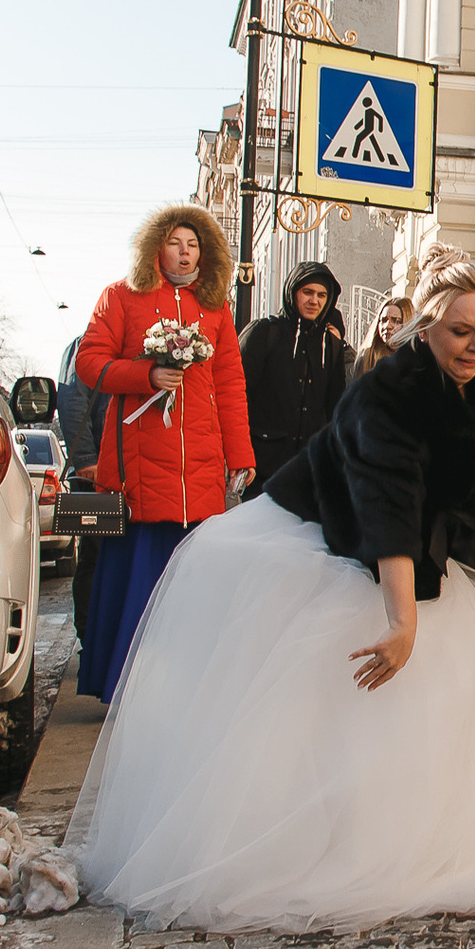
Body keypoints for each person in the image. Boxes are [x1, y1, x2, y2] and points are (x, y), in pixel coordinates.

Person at [71, 247, 475, 931]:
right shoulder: (387, 395)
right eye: (460, 331)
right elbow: (388, 512)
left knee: (466, 692)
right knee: (342, 700)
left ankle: (450, 838)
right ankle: (333, 841)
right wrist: (402, 621)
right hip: (340, 540)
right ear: (425, 326)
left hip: (443, 541)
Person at [73, 206, 257, 700]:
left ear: (206, 253)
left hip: (197, 465)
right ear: (156, 246)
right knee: (136, 575)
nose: (184, 251)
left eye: (193, 244)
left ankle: (187, 686)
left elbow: (230, 383)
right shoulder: (121, 296)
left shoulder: (215, 308)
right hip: (137, 465)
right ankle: (124, 683)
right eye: (175, 242)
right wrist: (145, 376)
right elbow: (89, 362)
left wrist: (240, 453)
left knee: (192, 579)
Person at [237, 262, 355, 492]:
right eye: (307, 292)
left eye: (322, 295)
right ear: (293, 293)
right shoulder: (264, 333)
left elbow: (335, 406)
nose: (315, 301)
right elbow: (237, 395)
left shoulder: (330, 344)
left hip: (306, 470)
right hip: (262, 467)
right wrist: (242, 454)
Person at [54, 336, 105, 644]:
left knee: (105, 557)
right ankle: (90, 640)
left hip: (127, 468)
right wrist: (86, 460)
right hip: (95, 470)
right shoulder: (87, 342)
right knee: (95, 556)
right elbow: (72, 400)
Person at [361, 296, 413, 374]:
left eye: (396, 321)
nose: (387, 326)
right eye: (384, 320)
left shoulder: (418, 360)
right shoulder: (367, 358)